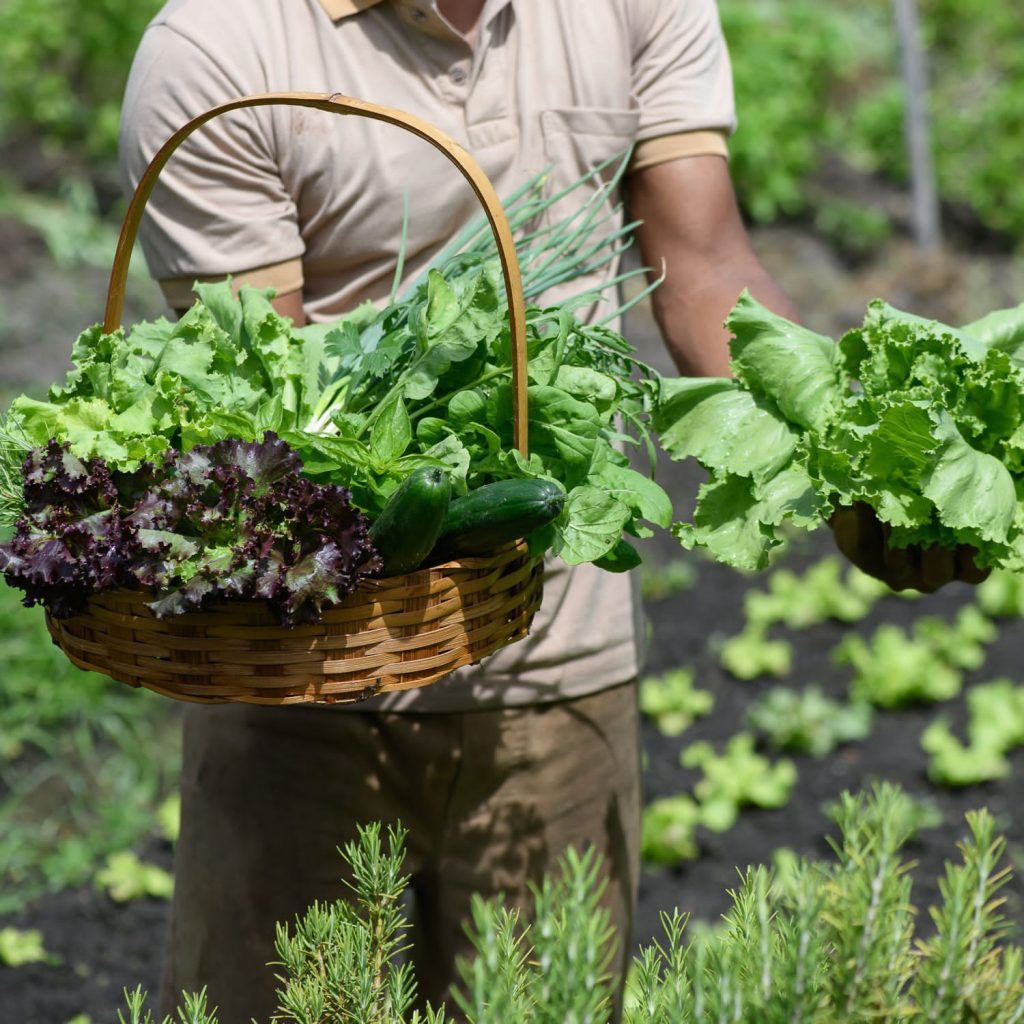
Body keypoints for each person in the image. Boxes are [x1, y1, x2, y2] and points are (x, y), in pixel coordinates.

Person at [117, 1, 794, 1019]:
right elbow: (277, 406)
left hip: (562, 664)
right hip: (312, 685)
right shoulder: (219, 43)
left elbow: (704, 263)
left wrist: (832, 461)